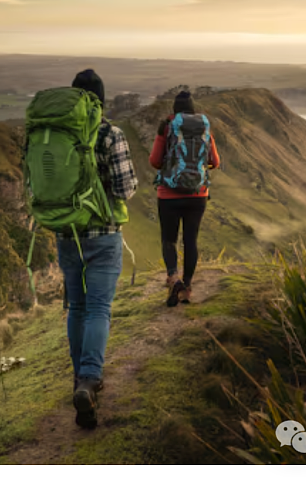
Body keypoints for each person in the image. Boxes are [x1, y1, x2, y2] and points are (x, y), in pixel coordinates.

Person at [59, 69, 138, 429]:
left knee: (76, 306)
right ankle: (90, 379)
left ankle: (79, 379)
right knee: (98, 308)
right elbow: (124, 190)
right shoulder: (110, 133)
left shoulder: (56, 135)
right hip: (103, 235)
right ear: (102, 101)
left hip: (66, 234)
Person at [149, 90, 220, 307]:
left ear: (175, 108)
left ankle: (174, 278)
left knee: (169, 239)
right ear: (193, 108)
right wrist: (195, 170)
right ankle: (187, 288)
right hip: (197, 195)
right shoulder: (203, 128)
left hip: (169, 194)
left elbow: (154, 161)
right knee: (191, 240)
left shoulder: (167, 127)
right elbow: (215, 162)